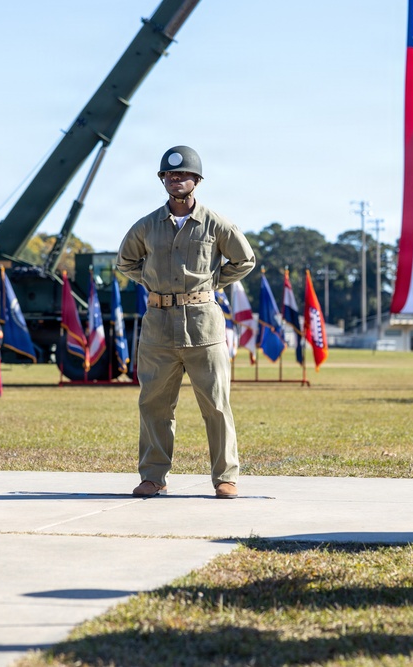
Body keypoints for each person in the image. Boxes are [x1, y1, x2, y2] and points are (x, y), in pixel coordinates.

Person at [116, 145, 256, 499]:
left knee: (216, 404)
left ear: (197, 180)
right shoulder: (147, 226)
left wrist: (208, 286)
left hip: (204, 327)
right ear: (163, 180)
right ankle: (153, 476)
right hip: (157, 328)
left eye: (183, 175)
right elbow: (125, 262)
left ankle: (226, 477)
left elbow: (244, 260)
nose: (176, 180)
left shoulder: (216, 224)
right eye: (170, 175)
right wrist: (152, 283)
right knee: (154, 405)